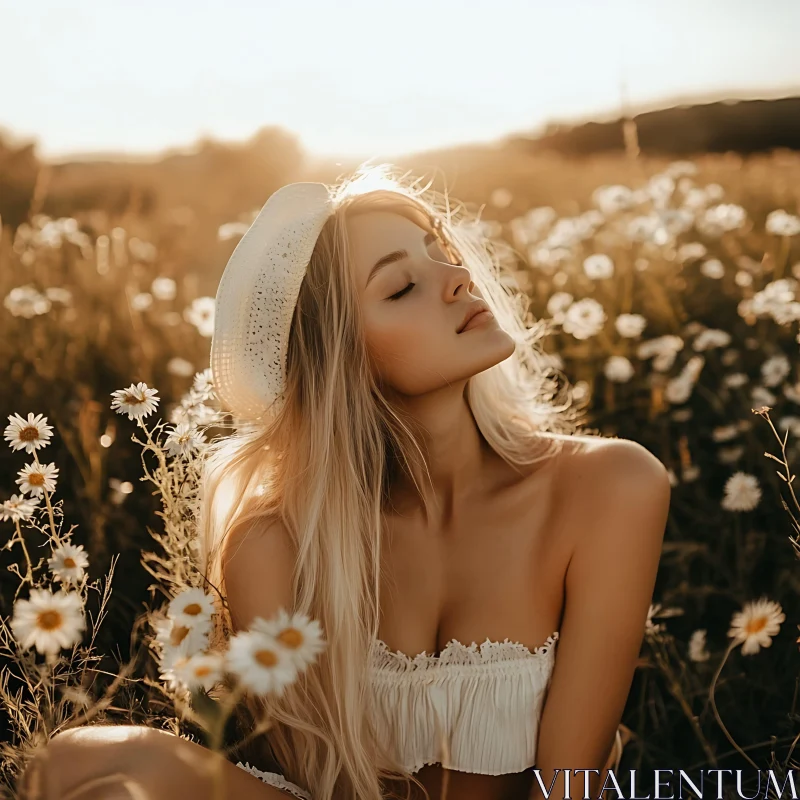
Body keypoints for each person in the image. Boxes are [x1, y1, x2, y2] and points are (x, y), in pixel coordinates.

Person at [19, 163, 667, 800]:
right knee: (69, 767)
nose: (457, 278)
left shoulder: (609, 485)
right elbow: (323, 781)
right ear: (340, 358)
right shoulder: (276, 543)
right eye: (400, 288)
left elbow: (568, 785)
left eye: (439, 252)